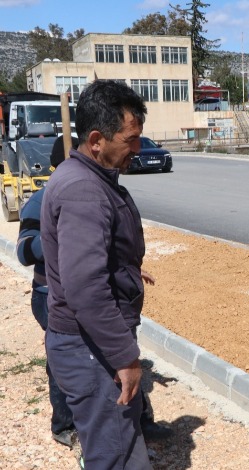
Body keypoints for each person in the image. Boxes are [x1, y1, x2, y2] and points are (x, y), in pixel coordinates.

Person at [40, 79, 155, 469]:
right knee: (115, 455)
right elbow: (85, 288)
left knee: (119, 444)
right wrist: (125, 358)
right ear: (96, 140)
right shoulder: (84, 191)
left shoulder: (89, 178)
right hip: (90, 349)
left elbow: (94, 259)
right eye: (131, 139)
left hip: (90, 345)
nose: (137, 149)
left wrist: (129, 269)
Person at [15, 136, 79, 449]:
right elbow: (24, 252)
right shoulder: (40, 201)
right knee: (62, 357)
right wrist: (52, 235)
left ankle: (133, 418)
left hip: (84, 295)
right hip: (48, 295)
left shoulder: (87, 197)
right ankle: (63, 424)